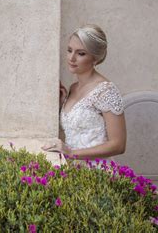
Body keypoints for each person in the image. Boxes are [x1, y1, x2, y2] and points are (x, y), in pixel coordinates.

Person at [42, 24, 126, 160]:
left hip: (95, 172)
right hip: (70, 170)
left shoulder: (106, 91)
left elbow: (118, 145)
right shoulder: (73, 88)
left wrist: (71, 153)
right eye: (69, 50)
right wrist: (62, 104)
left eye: (81, 53)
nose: (72, 58)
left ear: (95, 58)